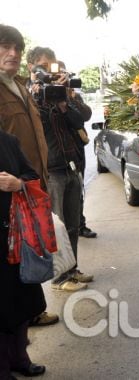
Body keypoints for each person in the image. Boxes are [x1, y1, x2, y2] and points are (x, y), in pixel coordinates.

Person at [0, 25, 59, 327]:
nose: (13, 53)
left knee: (30, 251)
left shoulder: (19, 86)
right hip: (7, 194)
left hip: (29, 183)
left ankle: (30, 315)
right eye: (5, 46)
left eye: (17, 48)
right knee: (12, 267)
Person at [27, 46, 92, 291]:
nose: (48, 70)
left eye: (51, 65)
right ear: (31, 67)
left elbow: (81, 118)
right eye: (42, 66)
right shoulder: (28, 94)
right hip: (52, 169)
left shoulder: (63, 92)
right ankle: (61, 277)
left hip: (72, 164)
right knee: (58, 227)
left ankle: (72, 270)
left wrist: (65, 99)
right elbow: (35, 126)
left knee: (73, 225)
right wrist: (37, 94)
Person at [0, 130, 47, 379]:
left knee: (21, 300)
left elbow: (31, 174)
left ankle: (20, 358)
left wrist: (18, 184)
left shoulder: (8, 140)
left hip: (15, 235)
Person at [57, 60, 97, 239]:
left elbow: (86, 115)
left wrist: (70, 97)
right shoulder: (44, 95)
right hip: (58, 155)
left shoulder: (71, 95)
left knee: (78, 188)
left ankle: (80, 223)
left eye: (63, 73)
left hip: (77, 150)